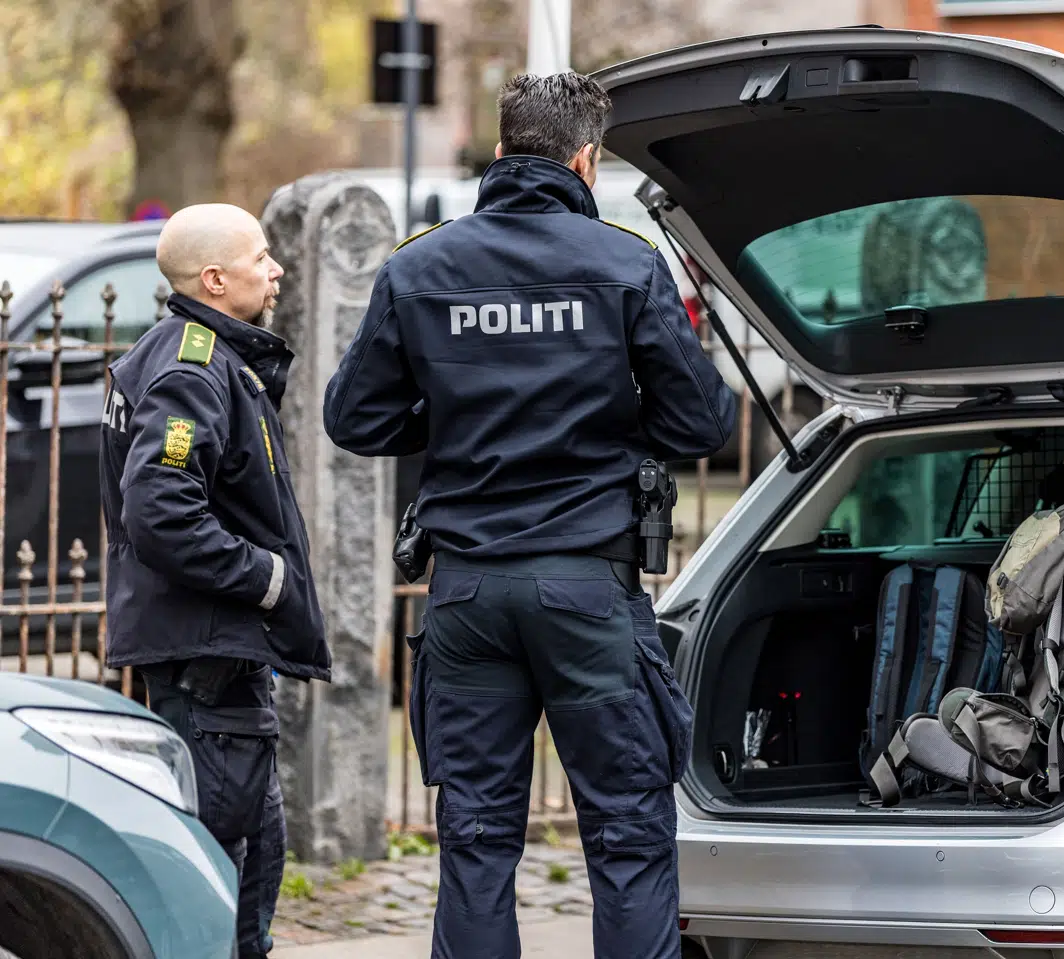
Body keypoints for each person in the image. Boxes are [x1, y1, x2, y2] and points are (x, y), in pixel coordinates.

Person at [322, 72, 735, 959]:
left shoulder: (420, 263)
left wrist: (452, 414)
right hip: (587, 589)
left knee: (474, 845)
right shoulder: (625, 263)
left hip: (466, 595)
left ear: (502, 150)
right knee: (625, 836)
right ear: (585, 160)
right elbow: (702, 421)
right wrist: (614, 417)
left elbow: (352, 417)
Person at [99, 203, 331, 959]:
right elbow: (162, 510)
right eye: (262, 257)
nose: (276, 269)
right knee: (227, 878)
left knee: (249, 856)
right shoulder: (193, 366)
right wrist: (264, 579)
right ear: (214, 277)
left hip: (212, 659)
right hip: (210, 664)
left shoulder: (192, 355)